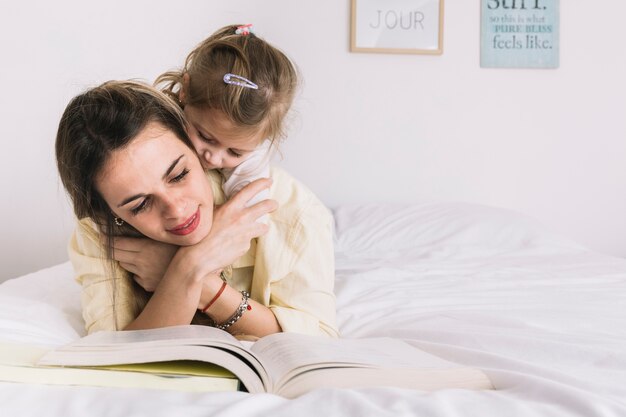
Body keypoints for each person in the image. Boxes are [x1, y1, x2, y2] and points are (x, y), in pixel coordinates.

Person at [57, 80, 338, 338]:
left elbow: (317, 341)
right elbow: (113, 353)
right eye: (140, 205)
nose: (177, 211)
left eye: (179, 175)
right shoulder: (99, 230)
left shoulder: (294, 213)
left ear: (194, 145)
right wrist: (188, 270)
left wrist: (195, 279)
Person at [107, 25, 339, 337]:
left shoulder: (297, 213)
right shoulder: (123, 179)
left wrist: (186, 272)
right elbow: (108, 345)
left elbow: (318, 337)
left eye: (234, 151)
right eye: (203, 136)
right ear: (185, 91)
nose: (213, 158)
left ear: (266, 138)